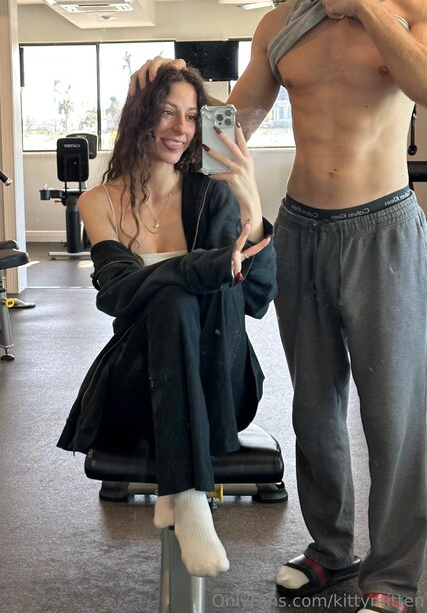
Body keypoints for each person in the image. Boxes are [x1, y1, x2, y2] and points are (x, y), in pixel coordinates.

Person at [131, 0, 427, 611]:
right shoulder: (281, 23)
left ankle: (393, 576)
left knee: (394, 412)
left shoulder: (411, 10)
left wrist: (363, 6)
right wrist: (174, 90)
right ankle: (331, 549)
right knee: (315, 405)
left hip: (383, 228)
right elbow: (229, 126)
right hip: (301, 228)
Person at [56, 65, 276, 579]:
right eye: (166, 112)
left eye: (193, 117)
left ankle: (183, 492)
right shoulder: (98, 202)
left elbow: (256, 298)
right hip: (140, 384)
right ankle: (189, 494)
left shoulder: (212, 195)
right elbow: (117, 293)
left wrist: (250, 199)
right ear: (140, 117)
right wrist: (201, 267)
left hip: (221, 383)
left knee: (181, 294)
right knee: (173, 298)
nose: (181, 128)